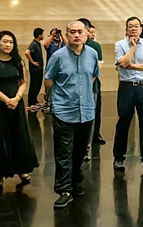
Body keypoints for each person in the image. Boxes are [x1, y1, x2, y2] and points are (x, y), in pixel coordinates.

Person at [44, 21, 101, 209]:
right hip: (64, 111)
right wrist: (62, 96)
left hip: (86, 110)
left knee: (80, 151)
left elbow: (93, 76)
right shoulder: (58, 56)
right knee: (63, 152)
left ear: (86, 34)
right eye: (73, 32)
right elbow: (49, 81)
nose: (76, 35)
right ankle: (64, 190)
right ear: (67, 35)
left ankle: (76, 181)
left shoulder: (92, 54)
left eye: (80, 32)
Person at [0, 31, 39, 192]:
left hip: (16, 106)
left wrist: (16, 98)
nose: (8, 45)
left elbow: (23, 82)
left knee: (19, 137)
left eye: (11, 42)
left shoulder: (18, 61)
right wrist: (7, 100)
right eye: (5, 41)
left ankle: (22, 170)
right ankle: (0, 177)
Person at [113, 17, 143, 174]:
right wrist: (132, 47)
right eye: (130, 26)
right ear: (126, 29)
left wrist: (133, 66)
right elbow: (123, 63)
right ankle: (119, 158)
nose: (133, 28)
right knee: (123, 123)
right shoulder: (119, 45)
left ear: (141, 29)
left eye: (136, 26)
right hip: (126, 87)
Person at [78, 18, 106, 152]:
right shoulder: (68, 47)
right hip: (74, 89)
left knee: (92, 113)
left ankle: (89, 143)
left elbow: (97, 67)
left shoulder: (94, 47)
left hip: (91, 86)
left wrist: (87, 84)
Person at [26, 27, 45, 111]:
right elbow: (27, 52)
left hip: (39, 69)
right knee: (34, 85)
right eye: (42, 34)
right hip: (35, 69)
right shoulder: (33, 44)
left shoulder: (38, 44)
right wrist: (32, 62)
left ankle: (34, 100)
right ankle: (31, 102)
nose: (43, 36)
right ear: (39, 35)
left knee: (38, 85)